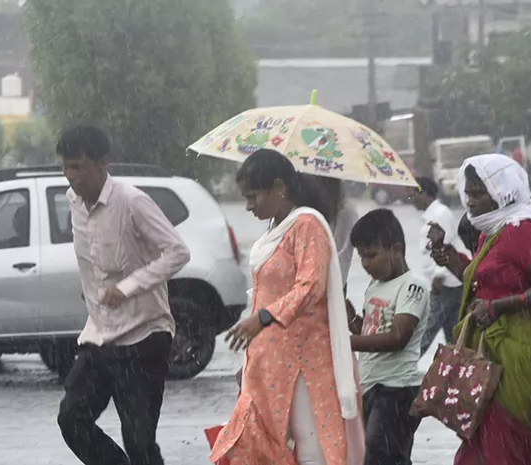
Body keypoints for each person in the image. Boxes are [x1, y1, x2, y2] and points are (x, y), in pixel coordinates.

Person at [210, 149, 364, 465]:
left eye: (253, 196)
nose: (248, 206)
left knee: (310, 446)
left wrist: (264, 318)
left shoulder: (307, 225)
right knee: (266, 442)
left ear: (279, 187)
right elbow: (265, 293)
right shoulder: (275, 230)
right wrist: (251, 354)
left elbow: (310, 287)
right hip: (270, 358)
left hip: (305, 358)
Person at [56, 126, 191, 465]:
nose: (73, 176)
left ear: (104, 162)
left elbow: (177, 252)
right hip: (100, 336)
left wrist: (129, 286)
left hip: (143, 335)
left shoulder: (132, 201)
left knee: (139, 441)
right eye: (66, 167)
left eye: (80, 167)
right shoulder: (73, 201)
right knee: (72, 419)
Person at [430, 153, 531, 465]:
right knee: (480, 448)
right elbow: (484, 281)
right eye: (468, 193)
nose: (471, 201)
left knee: (504, 446)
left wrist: (498, 307)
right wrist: (448, 257)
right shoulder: (491, 231)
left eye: (479, 194)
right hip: (489, 354)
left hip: (516, 356)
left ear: (502, 194)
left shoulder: (521, 229)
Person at [346, 208, 429, 465]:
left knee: (382, 454)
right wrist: (348, 317)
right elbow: (371, 331)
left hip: (398, 389)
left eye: (371, 255)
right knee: (383, 456)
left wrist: (344, 343)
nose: (366, 263)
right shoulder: (374, 286)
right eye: (361, 256)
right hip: (373, 386)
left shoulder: (412, 286)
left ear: (396, 250)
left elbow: (396, 338)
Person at [410, 176, 467, 355]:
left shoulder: (440, 214)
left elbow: (446, 244)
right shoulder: (431, 215)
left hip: (445, 283)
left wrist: (439, 274)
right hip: (449, 283)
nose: (411, 199)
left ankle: (403, 369)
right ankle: (459, 370)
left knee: (426, 330)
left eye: (414, 194)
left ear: (425, 194)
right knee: (453, 334)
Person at [310, 176, 359, 286]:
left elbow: (340, 248)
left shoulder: (346, 212)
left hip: (334, 282)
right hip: (316, 281)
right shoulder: (317, 208)